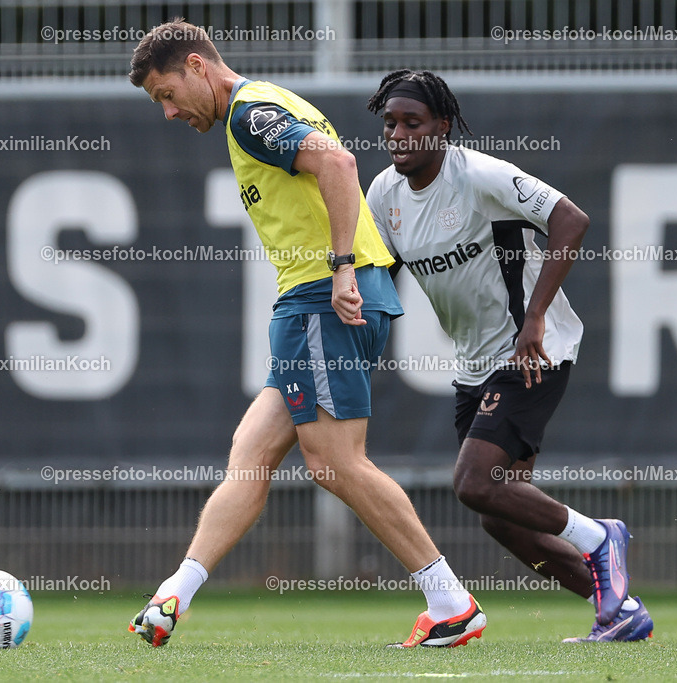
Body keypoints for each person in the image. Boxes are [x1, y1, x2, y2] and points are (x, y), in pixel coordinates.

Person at [126, 20, 485, 648]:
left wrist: (342, 268)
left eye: (167, 92)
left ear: (196, 65)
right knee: (250, 457)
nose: (168, 111)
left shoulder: (246, 114)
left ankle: (451, 601)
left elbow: (339, 163)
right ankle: (171, 598)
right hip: (321, 300)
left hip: (325, 299)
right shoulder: (265, 102)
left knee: (334, 464)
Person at [364, 69, 652, 643]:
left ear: (441, 128)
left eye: (411, 123)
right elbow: (383, 276)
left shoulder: (480, 176)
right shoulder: (384, 195)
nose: (397, 134)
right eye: (390, 123)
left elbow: (571, 221)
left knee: (473, 483)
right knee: (500, 511)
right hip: (475, 365)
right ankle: (620, 611)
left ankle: (601, 536)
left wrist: (537, 315)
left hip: (532, 352)